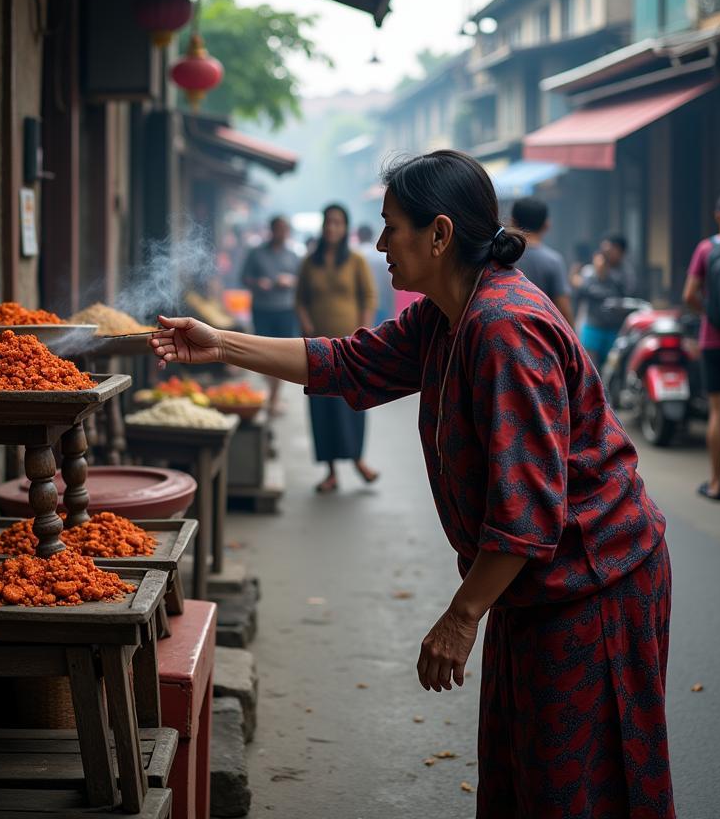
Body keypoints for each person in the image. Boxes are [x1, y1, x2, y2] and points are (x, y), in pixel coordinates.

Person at [150, 149, 672, 818]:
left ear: (439, 234)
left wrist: (461, 616)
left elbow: (528, 515)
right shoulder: (448, 315)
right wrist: (219, 344)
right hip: (534, 586)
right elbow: (346, 361)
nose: (378, 243)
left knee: (584, 785)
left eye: (390, 226)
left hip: (597, 581)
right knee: (527, 768)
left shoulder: (505, 329)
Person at [295, 204, 378, 493]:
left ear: (345, 228)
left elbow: (368, 298)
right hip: (318, 348)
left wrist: (363, 333)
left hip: (351, 346)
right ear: (322, 225)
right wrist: (306, 324)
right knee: (322, 407)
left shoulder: (356, 261)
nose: (332, 227)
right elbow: (300, 299)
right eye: (328, 222)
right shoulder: (309, 262)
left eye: (338, 223)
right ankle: (330, 472)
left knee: (354, 402)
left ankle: (358, 460)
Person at [240, 216, 301, 416]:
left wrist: (291, 281)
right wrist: (258, 283)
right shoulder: (256, 253)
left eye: (285, 229)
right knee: (263, 353)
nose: (281, 233)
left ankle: (274, 396)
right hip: (262, 309)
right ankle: (269, 391)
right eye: (278, 229)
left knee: (282, 355)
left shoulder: (293, 256)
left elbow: (302, 281)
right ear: (271, 230)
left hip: (285, 310)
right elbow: (243, 278)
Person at [682, 193, 720, 502]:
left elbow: (689, 295)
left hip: (714, 340)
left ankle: (716, 483)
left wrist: (708, 312)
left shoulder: (707, 249)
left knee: (717, 412)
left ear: (717, 215)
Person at [572, 233, 636, 368]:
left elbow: (626, 294)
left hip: (616, 329)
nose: (606, 255)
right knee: (589, 368)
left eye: (610, 250)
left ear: (621, 251)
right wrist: (599, 276)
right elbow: (583, 291)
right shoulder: (590, 271)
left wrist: (605, 276)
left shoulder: (627, 272)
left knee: (612, 369)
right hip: (593, 326)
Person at [509, 196, 574, 327]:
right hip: (540, 335)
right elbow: (563, 309)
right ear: (547, 225)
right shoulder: (553, 261)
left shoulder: (502, 256)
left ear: (512, 222)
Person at [356, 223, 395, 323]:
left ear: (358, 236)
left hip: (360, 307)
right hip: (381, 305)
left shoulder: (354, 257)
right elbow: (390, 285)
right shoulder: (382, 257)